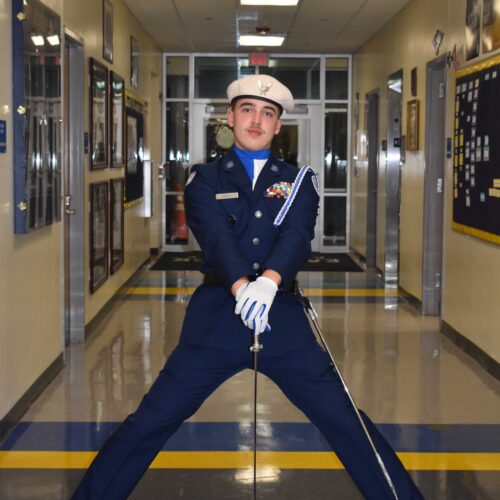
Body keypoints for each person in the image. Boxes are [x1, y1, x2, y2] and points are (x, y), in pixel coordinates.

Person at [72, 75, 423, 499]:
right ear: (230, 117)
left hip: (282, 320)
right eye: (248, 110)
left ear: (278, 126)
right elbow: (215, 237)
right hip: (217, 318)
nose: (256, 120)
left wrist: (269, 285)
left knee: (346, 421)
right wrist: (242, 288)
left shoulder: (299, 181)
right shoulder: (204, 179)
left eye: (267, 113)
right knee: (150, 421)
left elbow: (297, 236)